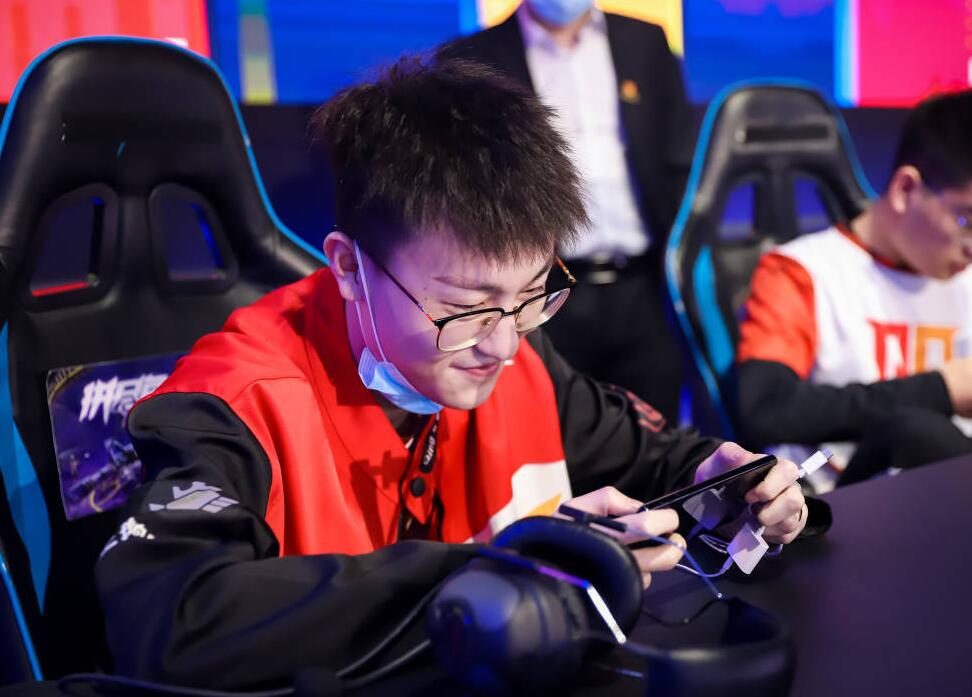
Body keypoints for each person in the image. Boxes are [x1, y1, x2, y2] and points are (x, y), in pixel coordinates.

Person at [93, 57, 808, 688]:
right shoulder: (233, 403)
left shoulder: (521, 354)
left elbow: (657, 459)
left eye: (532, 294)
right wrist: (499, 568)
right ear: (348, 267)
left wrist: (739, 484)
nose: (502, 345)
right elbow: (170, 624)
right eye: (466, 307)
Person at [731, 89, 972, 492]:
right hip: (838, 500)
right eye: (971, 224)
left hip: (951, 494)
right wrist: (938, 391)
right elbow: (766, 409)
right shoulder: (803, 271)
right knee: (912, 430)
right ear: (905, 189)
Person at [440, 0, 694, 423]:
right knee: (554, 429)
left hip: (644, 288)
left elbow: (679, 159)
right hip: (541, 295)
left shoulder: (645, 40)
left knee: (655, 431)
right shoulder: (473, 58)